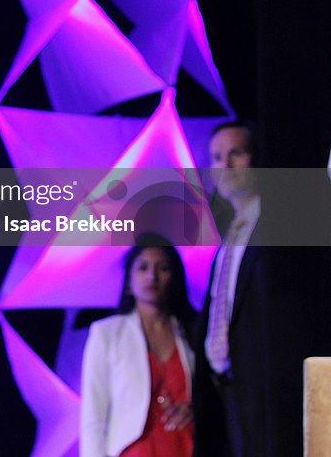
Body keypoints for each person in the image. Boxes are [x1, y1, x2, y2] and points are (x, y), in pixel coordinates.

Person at [193, 121, 331, 456]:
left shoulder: (286, 219)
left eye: (235, 153)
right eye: (216, 157)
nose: (224, 165)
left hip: (280, 396)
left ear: (257, 159)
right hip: (234, 396)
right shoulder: (227, 241)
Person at [80, 236, 196, 457]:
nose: (152, 276)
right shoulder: (107, 334)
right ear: (129, 282)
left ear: (174, 278)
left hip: (187, 446)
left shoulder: (191, 332)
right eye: (143, 268)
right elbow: (93, 416)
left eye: (162, 268)